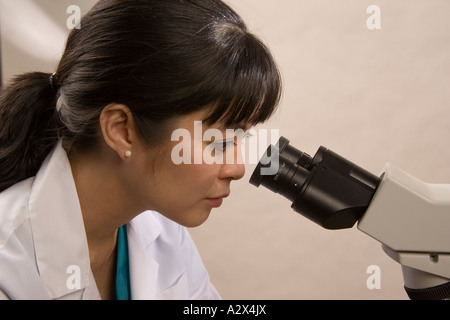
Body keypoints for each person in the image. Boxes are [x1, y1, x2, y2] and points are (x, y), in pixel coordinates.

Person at [0, 0, 281, 300]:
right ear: (121, 131)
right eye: (219, 142)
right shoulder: (9, 266)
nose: (237, 168)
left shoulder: (160, 232)